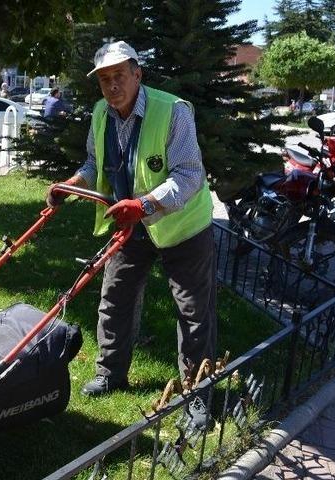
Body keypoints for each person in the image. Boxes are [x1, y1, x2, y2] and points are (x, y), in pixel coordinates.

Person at [45, 41, 216, 428]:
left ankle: (197, 395)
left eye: (119, 75)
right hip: (130, 223)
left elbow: (190, 174)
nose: (112, 85)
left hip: (183, 225)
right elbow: (94, 163)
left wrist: (146, 205)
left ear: (138, 74)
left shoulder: (173, 111)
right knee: (116, 297)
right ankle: (110, 373)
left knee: (193, 311)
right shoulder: (101, 114)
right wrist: (72, 184)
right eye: (105, 79)